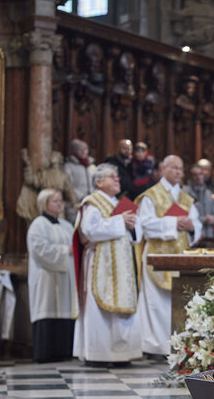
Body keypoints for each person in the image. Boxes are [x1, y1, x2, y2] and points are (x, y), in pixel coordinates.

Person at [73, 164, 143, 366]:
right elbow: (89, 230)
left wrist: (131, 226)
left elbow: (136, 236)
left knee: (122, 309)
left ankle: (121, 354)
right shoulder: (92, 203)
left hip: (122, 262)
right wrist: (120, 221)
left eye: (117, 176)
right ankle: (98, 354)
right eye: (112, 176)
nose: (117, 179)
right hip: (100, 262)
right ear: (98, 182)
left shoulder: (120, 203)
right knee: (98, 308)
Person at [136, 155, 202, 358]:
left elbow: (197, 225)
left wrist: (192, 227)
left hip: (181, 256)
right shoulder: (150, 196)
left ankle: (179, 345)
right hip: (156, 255)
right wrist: (173, 223)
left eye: (181, 168)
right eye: (174, 168)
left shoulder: (186, 198)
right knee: (156, 303)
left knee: (179, 302)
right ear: (163, 168)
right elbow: (144, 224)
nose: (178, 172)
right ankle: (155, 347)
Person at [27, 189, 77, 362]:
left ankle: (64, 351)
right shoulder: (38, 225)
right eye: (55, 201)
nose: (59, 204)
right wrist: (65, 250)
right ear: (44, 203)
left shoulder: (67, 225)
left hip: (66, 278)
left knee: (65, 310)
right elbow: (39, 250)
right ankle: (45, 353)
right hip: (46, 277)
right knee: (47, 309)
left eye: (60, 200)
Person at [183, 160, 214, 240]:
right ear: (190, 176)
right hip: (193, 236)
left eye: (200, 174)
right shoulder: (185, 192)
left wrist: (213, 219)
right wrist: (203, 219)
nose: (198, 177)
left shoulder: (208, 192)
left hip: (209, 235)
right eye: (195, 175)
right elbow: (184, 216)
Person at [63, 139, 94, 224]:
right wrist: (79, 197)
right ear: (75, 151)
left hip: (91, 202)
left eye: (85, 149)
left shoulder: (91, 166)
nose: (83, 151)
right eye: (80, 149)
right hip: (76, 203)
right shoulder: (69, 166)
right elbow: (68, 185)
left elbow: (95, 183)